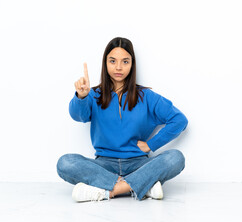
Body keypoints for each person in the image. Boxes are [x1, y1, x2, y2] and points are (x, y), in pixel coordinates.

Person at [56, 37, 188, 202]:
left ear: (132, 64)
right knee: (65, 163)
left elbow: (179, 120)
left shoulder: (146, 96)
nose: (118, 67)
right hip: (104, 165)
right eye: (113, 61)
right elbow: (78, 116)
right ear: (105, 64)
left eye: (125, 61)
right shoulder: (93, 95)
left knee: (175, 158)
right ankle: (142, 186)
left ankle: (108, 191)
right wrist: (81, 96)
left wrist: (151, 144)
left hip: (139, 164)